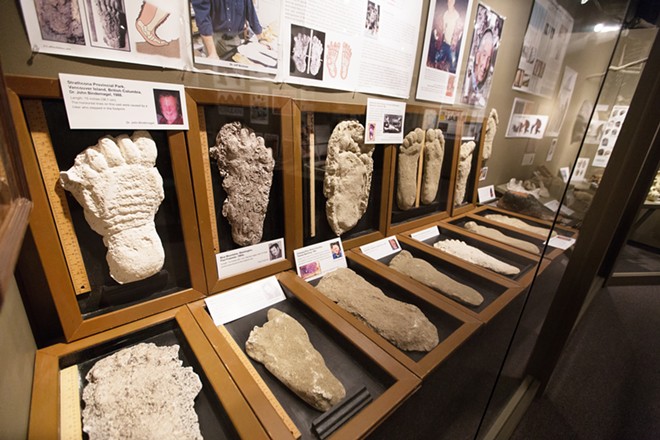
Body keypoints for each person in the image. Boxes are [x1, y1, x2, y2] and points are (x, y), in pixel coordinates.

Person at [191, 0, 272, 60]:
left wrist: (260, 38)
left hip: (234, 38)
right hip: (213, 39)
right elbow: (203, 19)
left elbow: (250, 11)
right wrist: (212, 53)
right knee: (213, 71)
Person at [463, 29, 494, 106]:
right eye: (484, 55)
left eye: (489, 59)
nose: (485, 65)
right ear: (477, 56)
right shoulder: (467, 77)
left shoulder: (486, 84)